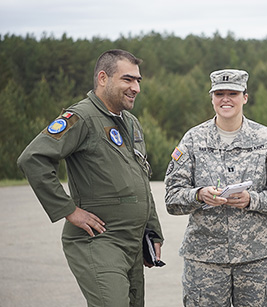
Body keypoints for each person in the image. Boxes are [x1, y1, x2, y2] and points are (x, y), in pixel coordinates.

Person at [17, 49, 164, 307]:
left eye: (138, 80)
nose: (136, 88)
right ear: (103, 78)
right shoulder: (82, 117)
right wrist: (68, 210)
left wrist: (152, 232)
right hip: (100, 241)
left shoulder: (131, 123)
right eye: (127, 79)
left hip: (132, 242)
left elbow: (140, 179)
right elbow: (33, 158)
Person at [164, 69, 267, 306]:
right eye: (219, 93)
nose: (226, 99)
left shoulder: (264, 138)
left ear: (245, 97)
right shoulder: (193, 140)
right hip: (205, 260)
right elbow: (172, 196)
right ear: (211, 97)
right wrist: (199, 194)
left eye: (232, 93)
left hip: (256, 259)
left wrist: (251, 200)